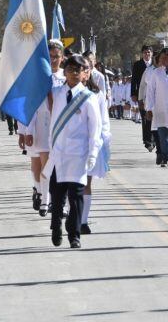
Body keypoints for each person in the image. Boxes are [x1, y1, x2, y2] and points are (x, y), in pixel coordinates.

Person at [45, 55, 101, 249]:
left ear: (84, 74)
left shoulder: (89, 97)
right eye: (70, 70)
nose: (74, 74)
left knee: (76, 197)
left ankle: (74, 234)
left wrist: (93, 153)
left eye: (78, 70)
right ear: (64, 72)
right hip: (58, 153)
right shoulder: (56, 93)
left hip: (78, 154)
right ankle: (56, 226)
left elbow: (95, 128)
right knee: (57, 195)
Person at [20, 41, 65, 217]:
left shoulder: (65, 77)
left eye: (56, 56)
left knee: (53, 164)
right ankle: (41, 192)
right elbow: (29, 106)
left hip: (60, 125)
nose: (53, 60)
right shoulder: (38, 77)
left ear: (62, 58)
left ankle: (50, 198)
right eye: (50, 56)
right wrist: (25, 131)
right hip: (41, 124)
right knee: (38, 162)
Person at [82, 67, 112, 234]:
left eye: (85, 69)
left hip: (91, 143)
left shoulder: (97, 93)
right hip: (70, 146)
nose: (82, 72)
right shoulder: (63, 92)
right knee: (72, 184)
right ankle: (73, 213)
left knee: (86, 182)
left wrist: (106, 142)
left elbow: (103, 119)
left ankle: (83, 221)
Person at [131, 45, 154, 151]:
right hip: (141, 95)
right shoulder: (137, 65)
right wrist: (133, 94)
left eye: (149, 52)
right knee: (145, 118)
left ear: (152, 53)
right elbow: (134, 80)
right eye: (145, 52)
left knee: (153, 118)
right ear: (142, 54)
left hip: (153, 95)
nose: (147, 54)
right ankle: (147, 139)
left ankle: (153, 139)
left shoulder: (155, 65)